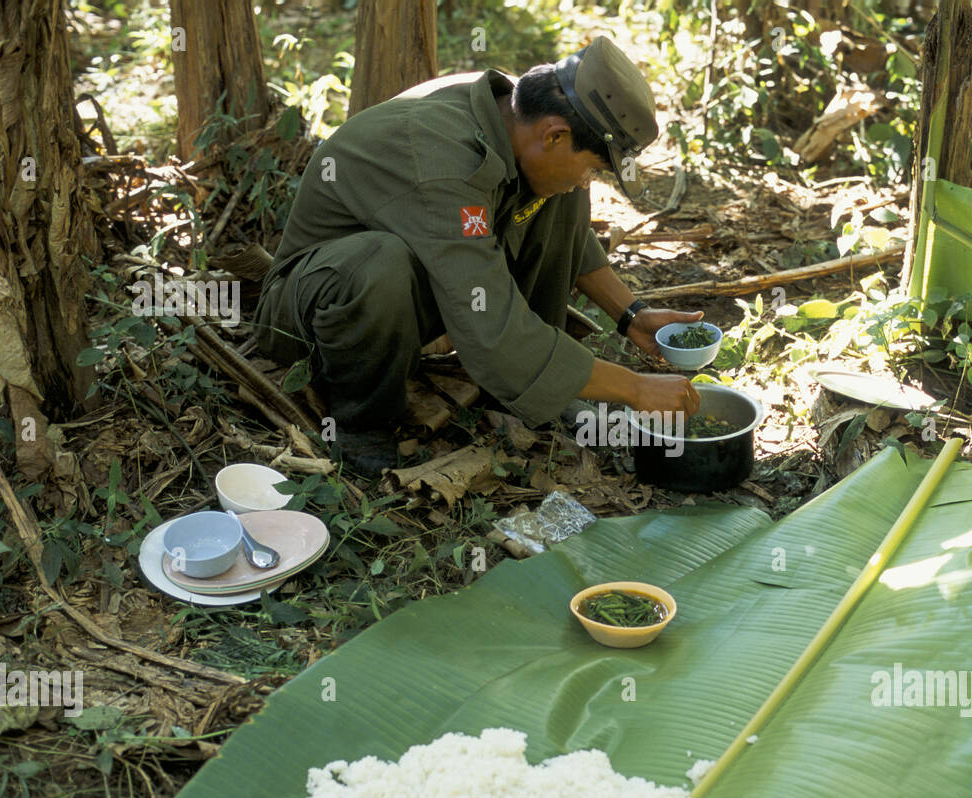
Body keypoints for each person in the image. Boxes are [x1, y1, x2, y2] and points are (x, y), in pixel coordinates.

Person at [252, 36, 703, 477]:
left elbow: (568, 232)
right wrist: (635, 388)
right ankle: (362, 422)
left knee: (561, 190)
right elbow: (492, 329)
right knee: (381, 261)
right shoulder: (441, 162)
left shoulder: (515, 114)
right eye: (595, 166)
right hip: (314, 310)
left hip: (416, 285)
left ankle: (537, 383)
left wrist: (631, 314)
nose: (591, 181)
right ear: (555, 134)